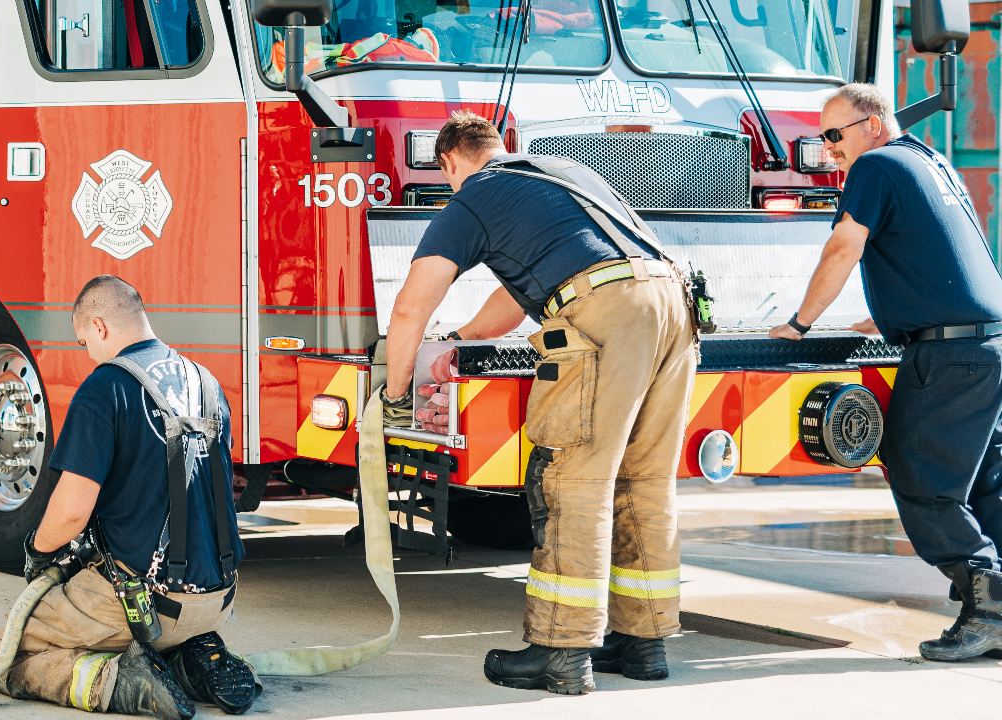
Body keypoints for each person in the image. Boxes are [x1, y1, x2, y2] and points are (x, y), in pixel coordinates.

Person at [382, 111, 695, 694]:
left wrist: (396, 390)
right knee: (644, 479)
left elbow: (411, 306)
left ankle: (561, 650)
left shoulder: (472, 197)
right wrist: (470, 337)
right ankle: (642, 642)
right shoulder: (559, 174)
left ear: (450, 161)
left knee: (574, 481)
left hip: (608, 316)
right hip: (672, 303)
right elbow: (527, 287)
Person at [768, 84, 1002, 662]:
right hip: (986, 345)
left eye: (834, 135)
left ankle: (987, 610)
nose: (828, 149)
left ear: (872, 125)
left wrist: (798, 325)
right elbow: (937, 250)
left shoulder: (874, 165)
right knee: (986, 486)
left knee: (924, 482)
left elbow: (843, 249)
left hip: (948, 358)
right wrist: (888, 313)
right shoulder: (930, 161)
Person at [0, 275, 260, 720]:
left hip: (142, 604)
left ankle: (121, 683)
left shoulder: (104, 387)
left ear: (100, 326)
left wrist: (36, 550)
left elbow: (71, 513)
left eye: (83, 340)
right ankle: (191, 662)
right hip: (218, 600)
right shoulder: (206, 382)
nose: (87, 352)